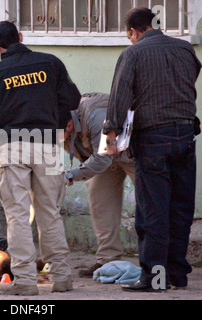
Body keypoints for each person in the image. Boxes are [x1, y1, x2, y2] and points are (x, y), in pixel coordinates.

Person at [0, 21, 81, 296]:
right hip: (48, 144)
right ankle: (62, 279)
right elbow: (71, 99)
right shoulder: (50, 63)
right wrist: (55, 124)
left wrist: (6, 127)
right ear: (20, 37)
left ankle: (24, 282)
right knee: (50, 214)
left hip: (13, 146)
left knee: (18, 217)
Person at [103, 8, 202, 292]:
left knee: (153, 212)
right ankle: (177, 275)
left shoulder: (133, 54)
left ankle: (155, 279)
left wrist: (111, 137)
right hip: (185, 135)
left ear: (133, 31)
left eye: (129, 36)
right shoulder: (184, 48)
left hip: (153, 139)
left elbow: (120, 96)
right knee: (180, 208)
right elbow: (192, 75)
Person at [63, 93, 135, 277]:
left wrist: (67, 177)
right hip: (101, 157)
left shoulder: (96, 115)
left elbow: (101, 159)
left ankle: (159, 263)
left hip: (133, 155)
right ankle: (108, 262)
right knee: (100, 204)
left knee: (151, 206)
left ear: (69, 124)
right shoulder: (59, 124)